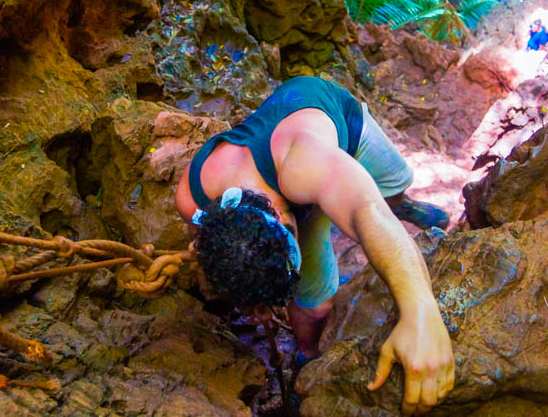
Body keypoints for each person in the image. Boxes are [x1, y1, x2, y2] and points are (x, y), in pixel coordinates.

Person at [175, 76, 455, 414]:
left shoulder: (304, 165)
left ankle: (406, 205)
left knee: (388, 193)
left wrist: (421, 312)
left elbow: (368, 212)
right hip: (294, 185)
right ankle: (305, 355)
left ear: (280, 216)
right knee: (315, 306)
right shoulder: (193, 199)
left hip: (340, 124)